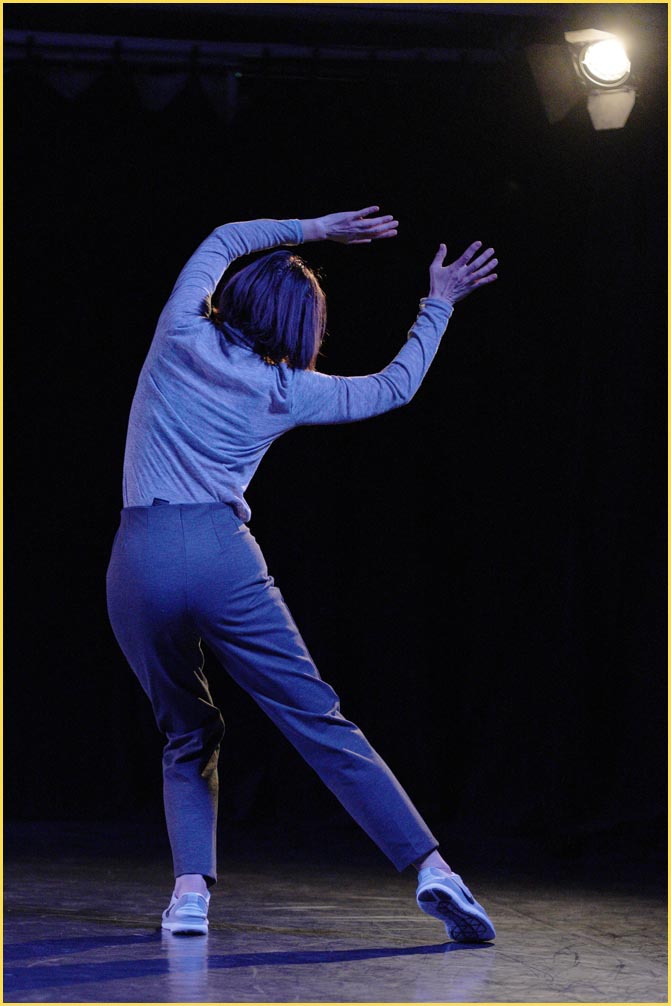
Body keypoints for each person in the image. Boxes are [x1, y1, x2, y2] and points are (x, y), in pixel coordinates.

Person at [106, 206, 498, 941]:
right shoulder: (285, 389)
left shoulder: (179, 331)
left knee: (186, 731)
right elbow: (393, 387)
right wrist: (438, 303)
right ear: (300, 329)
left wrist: (317, 229)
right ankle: (435, 871)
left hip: (140, 557)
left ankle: (189, 896)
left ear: (238, 294)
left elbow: (223, 238)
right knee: (318, 720)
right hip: (223, 558)